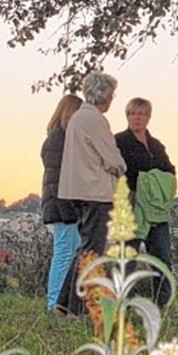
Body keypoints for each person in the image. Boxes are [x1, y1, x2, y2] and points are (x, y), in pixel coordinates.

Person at [57, 71, 127, 314]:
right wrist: (121, 167)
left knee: (84, 249)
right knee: (92, 252)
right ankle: (78, 308)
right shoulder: (96, 120)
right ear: (104, 95)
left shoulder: (77, 117)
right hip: (96, 191)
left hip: (77, 190)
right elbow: (112, 158)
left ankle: (62, 303)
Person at [114, 97, 177, 306]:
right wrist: (148, 178)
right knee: (127, 256)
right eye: (132, 113)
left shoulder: (156, 145)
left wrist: (152, 180)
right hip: (131, 204)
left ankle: (162, 303)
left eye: (141, 113)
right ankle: (123, 302)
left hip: (156, 208)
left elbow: (170, 171)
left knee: (162, 258)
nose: (137, 118)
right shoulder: (119, 141)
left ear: (148, 117)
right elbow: (122, 171)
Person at [41, 94, 83, 314]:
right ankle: (54, 301)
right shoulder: (58, 140)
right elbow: (58, 179)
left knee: (71, 251)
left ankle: (62, 301)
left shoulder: (60, 138)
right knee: (64, 252)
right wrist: (69, 207)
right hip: (61, 205)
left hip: (65, 204)